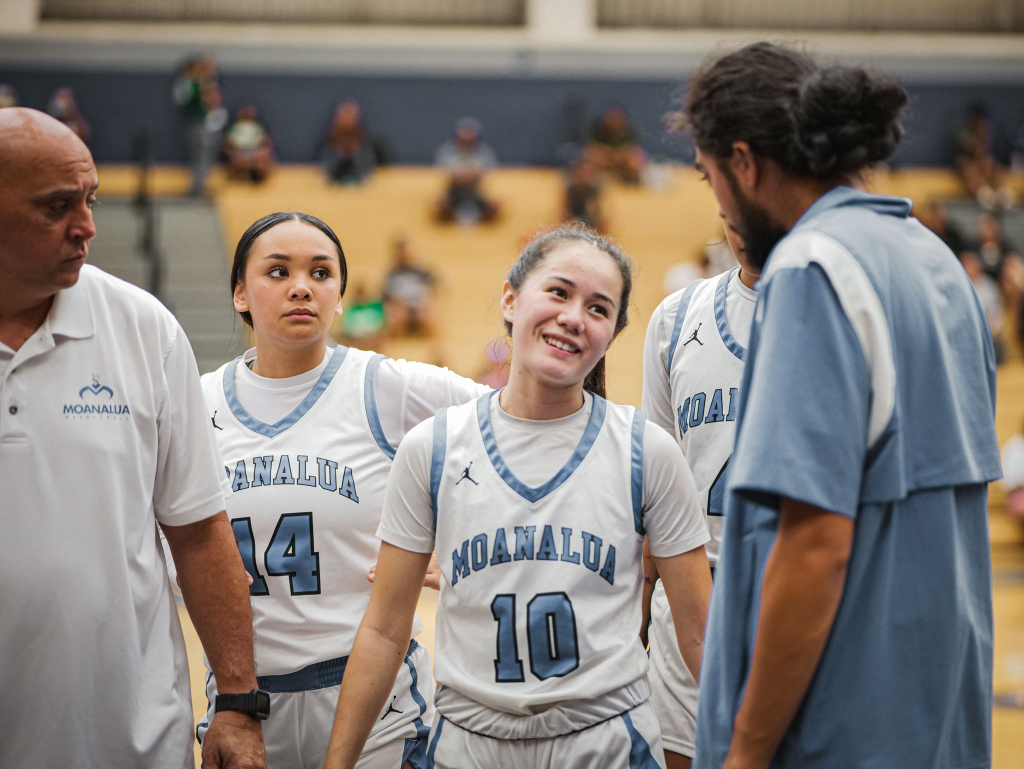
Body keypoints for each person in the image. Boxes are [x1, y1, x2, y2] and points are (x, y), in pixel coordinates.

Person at [683, 42, 1002, 769]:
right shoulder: (934, 259)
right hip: (938, 718)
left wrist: (746, 752)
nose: (719, 203)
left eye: (710, 178)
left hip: (839, 727)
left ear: (744, 160)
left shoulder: (810, 266)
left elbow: (816, 542)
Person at [324, 226, 714, 769]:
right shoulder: (432, 447)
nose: (575, 317)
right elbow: (384, 630)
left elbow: (698, 634)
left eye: (599, 309)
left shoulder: (647, 450)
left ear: (613, 335)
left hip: (606, 742)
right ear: (510, 298)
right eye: (558, 292)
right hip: (468, 742)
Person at [0, 108, 266, 768]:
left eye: (90, 199)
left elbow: (199, 529)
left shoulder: (144, 329)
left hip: (129, 738)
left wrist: (238, 700)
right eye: (58, 206)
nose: (87, 226)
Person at [184, 211, 490, 769]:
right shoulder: (194, 404)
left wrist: (471, 552)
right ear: (239, 295)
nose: (302, 286)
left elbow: (525, 422)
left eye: (320, 273)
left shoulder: (387, 386)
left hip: (375, 696)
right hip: (242, 696)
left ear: (341, 297)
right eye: (278, 271)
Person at [641, 215, 759, 769]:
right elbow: (656, 484)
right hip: (689, 589)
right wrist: (640, 604)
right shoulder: (675, 316)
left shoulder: (839, 311)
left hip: (796, 586)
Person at [173, 55, 228, 198]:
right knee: (200, 158)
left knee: (206, 158)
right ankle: (197, 190)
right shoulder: (189, 83)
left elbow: (215, 103)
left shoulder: (207, 83)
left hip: (208, 124)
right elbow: (183, 99)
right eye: (204, 68)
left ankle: (200, 186)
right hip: (197, 125)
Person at [434, 117, 499, 224]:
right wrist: (471, 175)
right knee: (441, 206)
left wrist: (462, 175)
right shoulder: (447, 153)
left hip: (476, 193)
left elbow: (483, 175)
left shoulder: (484, 153)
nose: (467, 139)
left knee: (494, 207)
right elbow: (451, 176)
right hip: (453, 193)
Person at [383, 236, 437, 337]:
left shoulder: (421, 270)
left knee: (429, 314)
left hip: (420, 304)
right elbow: (386, 294)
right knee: (396, 314)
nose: (405, 256)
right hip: (401, 306)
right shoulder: (391, 273)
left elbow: (438, 282)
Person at [587, 107, 647, 184]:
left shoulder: (628, 131)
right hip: (605, 158)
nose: (614, 122)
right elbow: (591, 147)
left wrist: (619, 154)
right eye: (611, 119)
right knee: (596, 157)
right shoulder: (598, 131)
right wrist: (607, 152)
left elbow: (633, 148)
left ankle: (631, 181)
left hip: (621, 159)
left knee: (634, 159)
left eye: (617, 119)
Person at [323, 100, 377, 184]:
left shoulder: (363, 139)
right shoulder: (331, 139)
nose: (347, 118)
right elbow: (327, 166)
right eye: (345, 114)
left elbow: (368, 167)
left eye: (350, 114)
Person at [224, 105, 275, 183]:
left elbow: (264, 139)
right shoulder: (236, 127)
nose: (247, 115)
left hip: (254, 151)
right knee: (238, 156)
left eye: (249, 113)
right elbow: (229, 140)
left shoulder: (257, 127)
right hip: (240, 151)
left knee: (263, 154)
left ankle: (258, 174)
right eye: (245, 113)